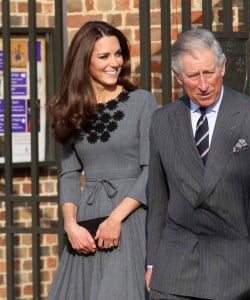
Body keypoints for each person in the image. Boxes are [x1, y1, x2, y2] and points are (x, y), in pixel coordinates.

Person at [145, 28, 250, 300]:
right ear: (178, 77)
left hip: (238, 270)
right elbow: (158, 200)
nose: (203, 84)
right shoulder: (162, 120)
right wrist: (154, 262)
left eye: (209, 72)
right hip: (175, 272)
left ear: (223, 67)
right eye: (193, 76)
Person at [47, 21, 156, 300]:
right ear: (85, 61)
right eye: (104, 56)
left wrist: (116, 218)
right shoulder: (71, 108)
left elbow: (150, 168)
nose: (114, 63)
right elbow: (69, 174)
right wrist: (71, 226)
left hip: (129, 218)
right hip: (86, 226)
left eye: (118, 54)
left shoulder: (142, 101)